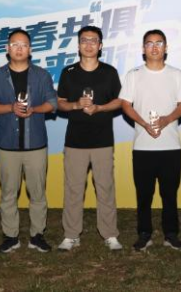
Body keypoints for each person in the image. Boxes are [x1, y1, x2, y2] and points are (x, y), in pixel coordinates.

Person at [0, 29, 58, 254]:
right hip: (7, 145)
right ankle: (10, 236)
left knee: (38, 193)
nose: (19, 48)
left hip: (35, 144)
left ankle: (37, 235)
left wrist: (34, 109)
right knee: (8, 193)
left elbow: (53, 103)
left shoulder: (41, 75)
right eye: (14, 44)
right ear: (7, 49)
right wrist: (10, 108)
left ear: (30, 49)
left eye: (23, 45)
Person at [120, 29, 181, 251]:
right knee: (144, 195)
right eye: (149, 43)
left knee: (169, 194)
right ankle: (144, 234)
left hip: (170, 146)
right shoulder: (133, 75)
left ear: (166, 47)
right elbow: (125, 104)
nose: (154, 47)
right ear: (143, 49)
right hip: (143, 146)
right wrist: (144, 124)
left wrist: (167, 119)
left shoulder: (176, 74)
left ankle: (171, 234)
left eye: (159, 43)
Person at [56, 25, 123, 251]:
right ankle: (71, 235)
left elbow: (119, 101)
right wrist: (76, 105)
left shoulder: (109, 72)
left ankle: (110, 234)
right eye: (84, 40)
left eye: (93, 40)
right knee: (73, 189)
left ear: (100, 46)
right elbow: (60, 102)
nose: (88, 44)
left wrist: (100, 108)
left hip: (102, 140)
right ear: (78, 45)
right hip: (75, 141)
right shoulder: (68, 72)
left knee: (105, 188)